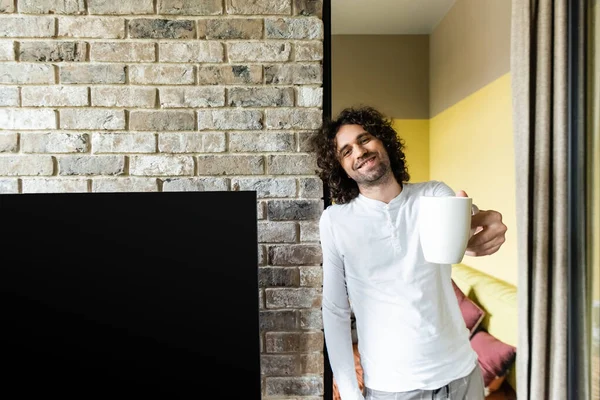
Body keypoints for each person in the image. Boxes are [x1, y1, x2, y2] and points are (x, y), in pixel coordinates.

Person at [312, 106, 507, 400]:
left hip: (462, 377)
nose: (359, 151)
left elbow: (456, 228)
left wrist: (480, 225)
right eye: (346, 151)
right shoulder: (335, 221)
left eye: (365, 139)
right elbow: (336, 310)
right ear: (341, 167)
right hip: (393, 388)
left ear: (384, 142)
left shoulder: (432, 194)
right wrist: (350, 391)